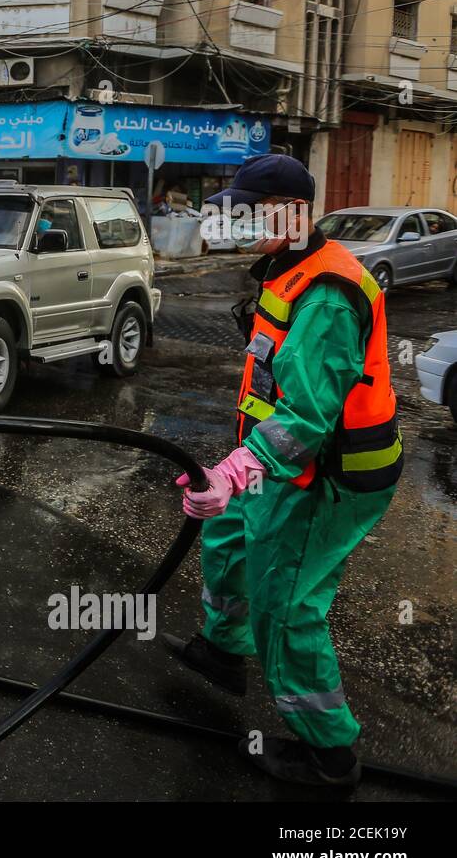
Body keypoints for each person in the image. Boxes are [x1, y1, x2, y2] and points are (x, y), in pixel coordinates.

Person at [165, 153, 403, 788]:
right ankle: (225, 650)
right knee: (227, 532)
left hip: (330, 474)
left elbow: (306, 418)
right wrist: (238, 473)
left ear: (294, 214)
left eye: (249, 211)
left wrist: (236, 468)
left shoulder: (326, 294)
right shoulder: (286, 267)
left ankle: (329, 755)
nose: (239, 222)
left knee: (288, 605)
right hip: (284, 460)